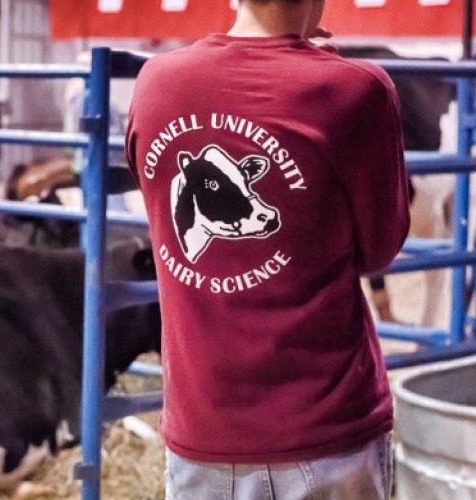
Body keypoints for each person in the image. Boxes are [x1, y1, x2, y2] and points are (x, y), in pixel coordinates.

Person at [124, 1, 410, 498]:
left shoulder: (156, 82)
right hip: (326, 429)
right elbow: (378, 251)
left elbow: (156, 204)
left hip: (203, 432)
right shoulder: (355, 91)